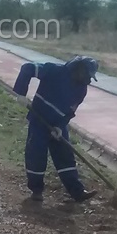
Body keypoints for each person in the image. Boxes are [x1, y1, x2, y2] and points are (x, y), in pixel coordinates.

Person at [12, 55, 99, 203]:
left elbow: (70, 111)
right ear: (78, 69)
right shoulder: (53, 71)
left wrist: (60, 126)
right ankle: (36, 191)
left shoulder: (81, 90)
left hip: (58, 125)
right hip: (39, 120)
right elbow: (27, 68)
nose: (88, 80)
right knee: (36, 154)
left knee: (65, 156)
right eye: (86, 75)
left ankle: (77, 192)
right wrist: (20, 93)